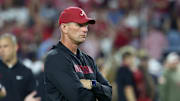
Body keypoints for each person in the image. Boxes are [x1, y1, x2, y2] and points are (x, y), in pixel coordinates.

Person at [44, 6, 112, 101]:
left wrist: (93, 84)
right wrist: (98, 96)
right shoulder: (55, 58)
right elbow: (78, 97)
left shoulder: (88, 60)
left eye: (86, 25)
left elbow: (109, 93)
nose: (85, 30)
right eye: (80, 25)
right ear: (64, 28)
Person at [0, 33, 41, 101]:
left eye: (5, 46)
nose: (2, 50)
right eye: (0, 47)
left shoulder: (26, 72)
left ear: (15, 47)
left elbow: (35, 97)